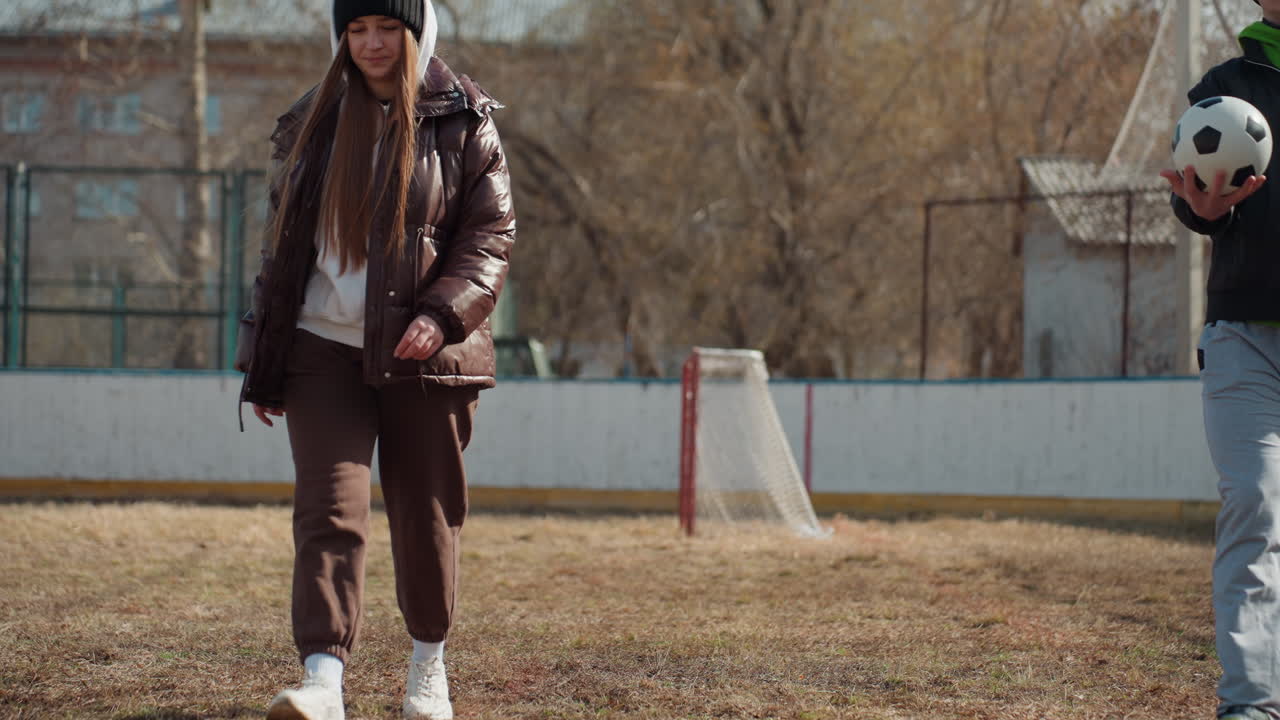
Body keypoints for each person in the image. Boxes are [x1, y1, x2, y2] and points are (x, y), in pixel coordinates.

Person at [234, 0, 515, 717]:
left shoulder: (465, 120)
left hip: (425, 354)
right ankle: (323, 680)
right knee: (328, 512)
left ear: (418, 30)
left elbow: (489, 237)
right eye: (356, 29)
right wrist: (262, 351)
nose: (372, 43)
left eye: (388, 27)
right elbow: (281, 250)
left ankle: (428, 668)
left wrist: (440, 313)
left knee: (425, 516)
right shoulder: (311, 122)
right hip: (318, 348)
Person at [1162, 1, 1280, 718]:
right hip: (1244, 336)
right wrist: (1200, 212)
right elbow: (1194, 187)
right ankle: (1250, 706)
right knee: (1254, 508)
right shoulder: (1224, 86)